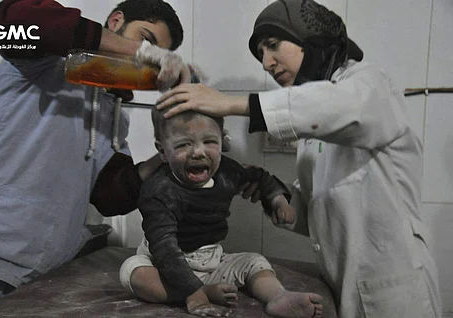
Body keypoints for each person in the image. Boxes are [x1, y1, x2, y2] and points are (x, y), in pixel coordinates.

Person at [155, 0, 442, 317]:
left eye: (273, 46)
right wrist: (285, 204)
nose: (266, 63)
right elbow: (328, 209)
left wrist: (229, 103)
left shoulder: (370, 84)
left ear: (311, 38)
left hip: (394, 293)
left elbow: (338, 106)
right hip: (345, 287)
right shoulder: (314, 129)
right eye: (261, 54)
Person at [0, 0, 191, 307]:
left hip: (46, 271)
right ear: (116, 20)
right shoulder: (41, 61)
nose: (150, 59)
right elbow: (11, 20)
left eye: (158, 57)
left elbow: (109, 194)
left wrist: (165, 156)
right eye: (147, 40)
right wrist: (138, 52)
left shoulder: (112, 111)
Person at [118, 105, 324, 318]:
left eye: (209, 142)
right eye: (183, 144)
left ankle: (278, 296)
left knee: (255, 262)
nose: (198, 152)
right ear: (162, 151)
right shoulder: (158, 191)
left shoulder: (227, 172)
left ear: (222, 141)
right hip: (163, 264)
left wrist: (278, 200)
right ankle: (197, 291)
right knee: (133, 271)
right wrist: (194, 294)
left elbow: (259, 178)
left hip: (211, 260)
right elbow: (164, 248)